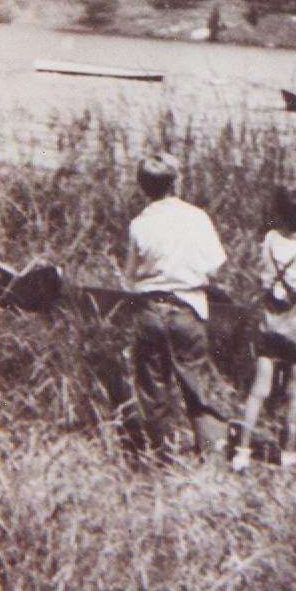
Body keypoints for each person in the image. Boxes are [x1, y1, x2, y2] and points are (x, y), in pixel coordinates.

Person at [125, 152, 228, 461]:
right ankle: (211, 457)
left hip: (150, 310)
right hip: (187, 307)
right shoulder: (197, 217)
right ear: (176, 182)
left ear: (142, 187)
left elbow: (129, 276)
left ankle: (159, 457)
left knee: (152, 390)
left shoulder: (139, 223)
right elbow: (216, 267)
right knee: (197, 387)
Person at [231, 182, 296, 471]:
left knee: (260, 387)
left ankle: (242, 449)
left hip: (271, 320)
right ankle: (288, 453)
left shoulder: (269, 240)